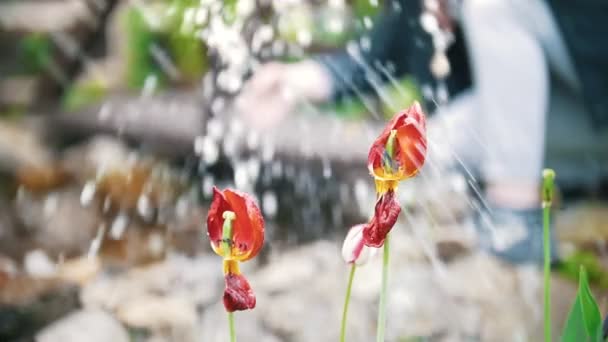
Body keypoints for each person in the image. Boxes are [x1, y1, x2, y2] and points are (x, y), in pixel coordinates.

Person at [236, 0, 608, 264]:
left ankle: (516, 222)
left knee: (492, 6)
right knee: (438, 145)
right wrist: (291, 82)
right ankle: (505, 225)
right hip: (575, 124)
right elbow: (376, 54)